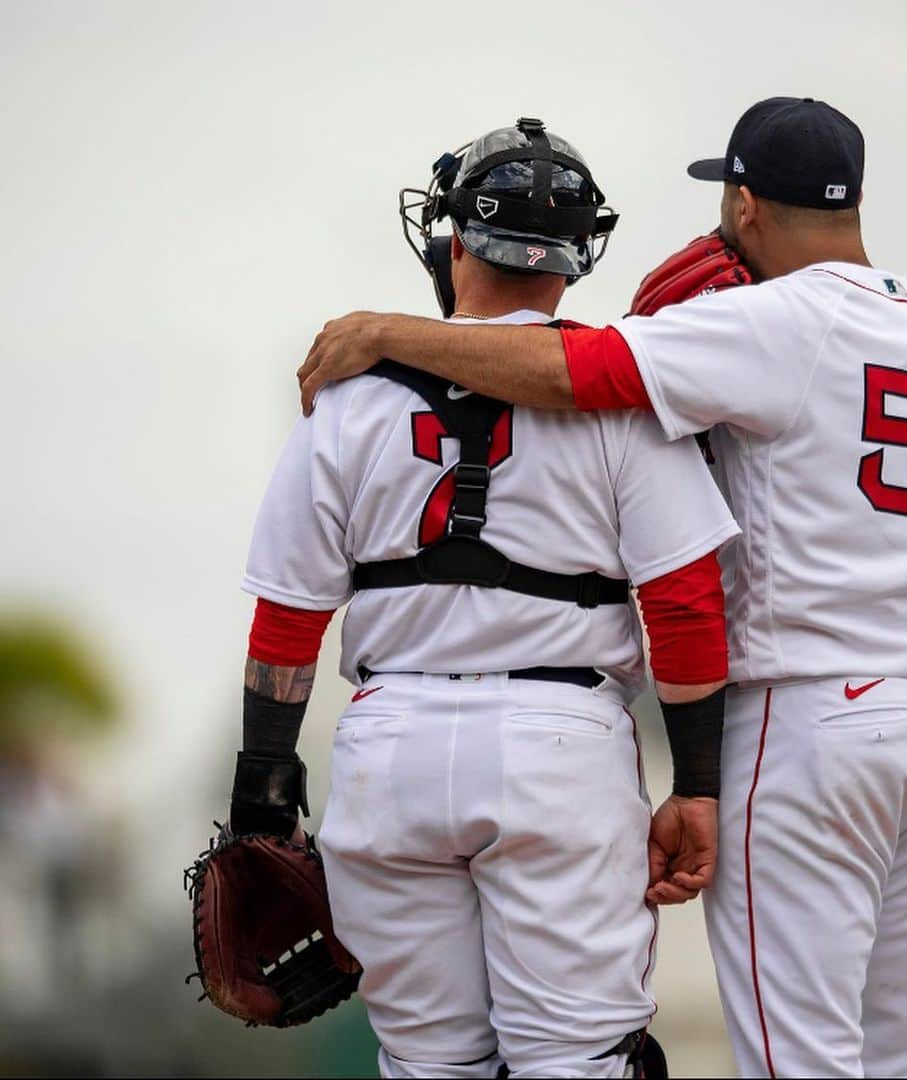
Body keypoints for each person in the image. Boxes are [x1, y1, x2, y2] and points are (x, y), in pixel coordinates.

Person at [294, 97, 907, 1078]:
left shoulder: (772, 320)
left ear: (746, 203)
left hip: (817, 717)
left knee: (803, 1062)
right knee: (904, 1058)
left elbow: (575, 369)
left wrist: (387, 332)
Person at [234, 117, 741, 1078]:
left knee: (428, 1066)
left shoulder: (349, 392)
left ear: (453, 241)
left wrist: (260, 792)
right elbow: (684, 606)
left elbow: (286, 621)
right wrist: (702, 786)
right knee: (577, 1062)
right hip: (558, 746)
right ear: (576, 257)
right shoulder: (620, 396)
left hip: (391, 751)